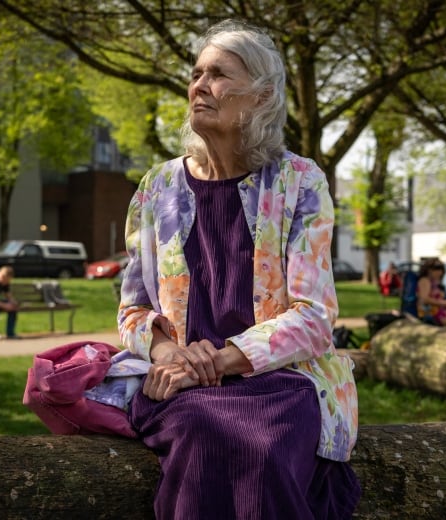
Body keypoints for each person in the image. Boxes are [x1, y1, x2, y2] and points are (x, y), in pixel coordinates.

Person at [117, 19, 360, 519]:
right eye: (197, 73)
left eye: (219, 74)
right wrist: (170, 356)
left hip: (282, 381)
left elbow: (313, 317)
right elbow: (133, 311)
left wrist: (221, 360)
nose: (199, 86)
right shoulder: (156, 188)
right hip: (181, 384)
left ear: (262, 97)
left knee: (264, 448)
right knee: (206, 434)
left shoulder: (300, 182)